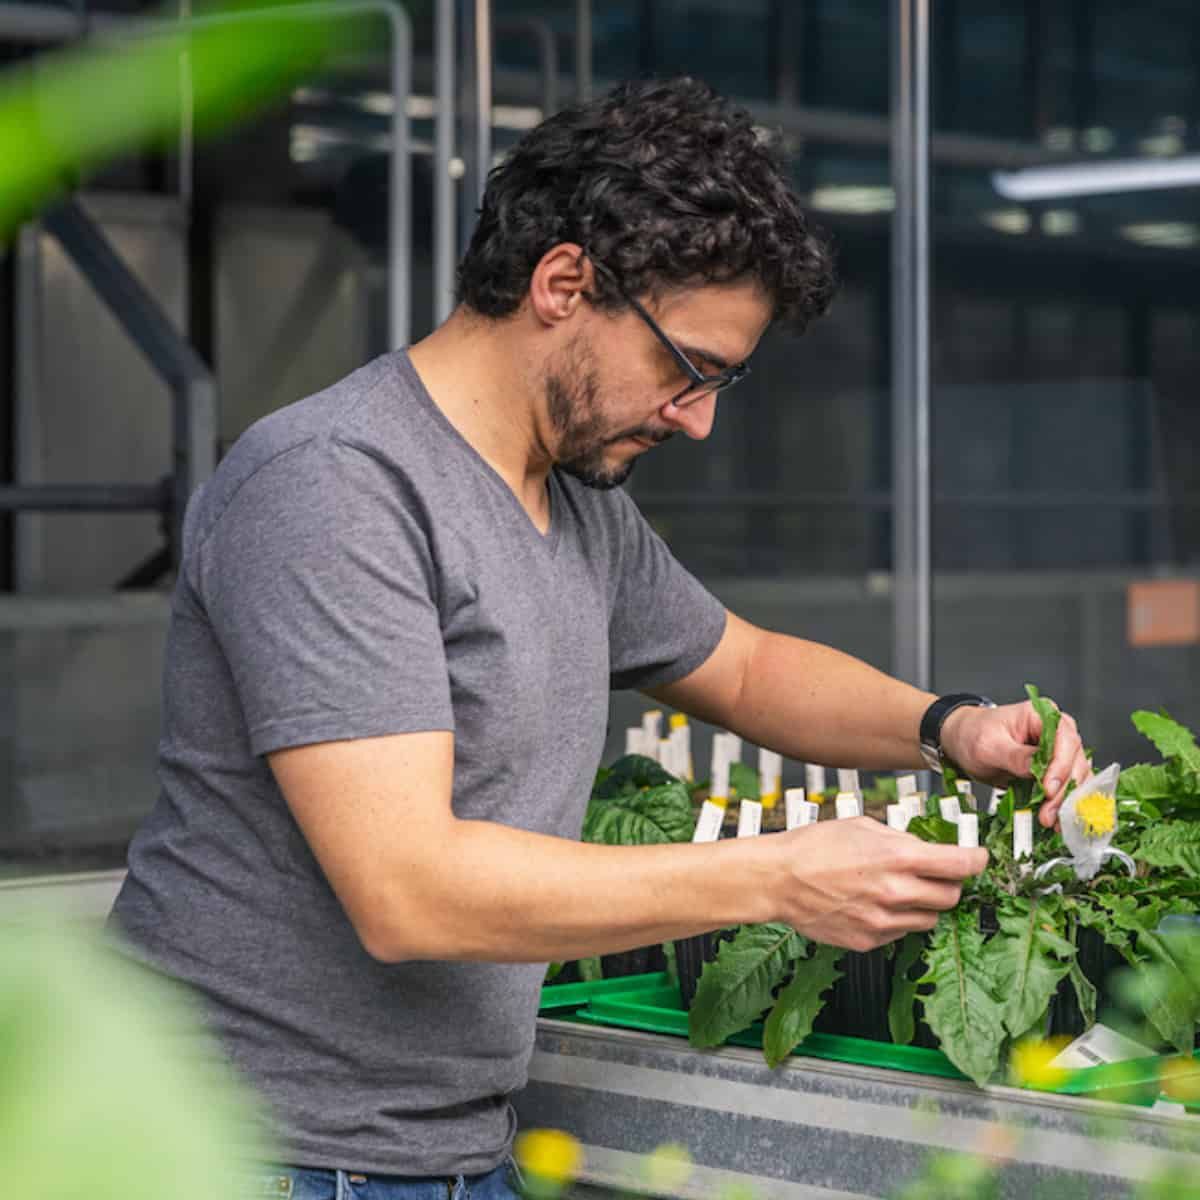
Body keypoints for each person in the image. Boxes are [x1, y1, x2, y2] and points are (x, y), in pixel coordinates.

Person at [108, 77, 1089, 1196]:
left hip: (441, 1145)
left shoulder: (572, 500)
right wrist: (777, 878)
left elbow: (748, 665)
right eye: (689, 367)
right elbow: (407, 889)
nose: (700, 416)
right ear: (564, 283)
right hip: (246, 1148)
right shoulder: (336, 487)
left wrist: (950, 728)